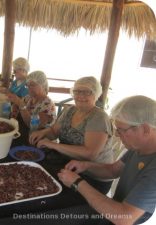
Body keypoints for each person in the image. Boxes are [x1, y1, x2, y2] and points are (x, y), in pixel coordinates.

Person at [58, 95, 156, 225]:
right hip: (113, 207)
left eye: (121, 130)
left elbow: (124, 218)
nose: (116, 134)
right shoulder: (138, 147)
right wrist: (85, 166)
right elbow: (113, 170)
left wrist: (77, 183)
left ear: (145, 129)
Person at [29, 76, 113, 194]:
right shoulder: (69, 110)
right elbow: (54, 132)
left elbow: (89, 154)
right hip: (68, 166)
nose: (80, 96)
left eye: (87, 92)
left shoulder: (98, 117)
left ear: (96, 94)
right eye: (77, 91)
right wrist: (42, 133)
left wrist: (53, 145)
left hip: (92, 177)